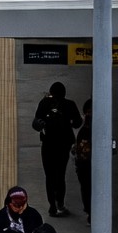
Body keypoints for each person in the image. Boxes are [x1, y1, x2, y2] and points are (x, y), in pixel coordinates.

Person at [32, 81, 82, 217]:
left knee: (49, 175)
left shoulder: (44, 103)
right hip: (63, 145)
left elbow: (35, 122)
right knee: (60, 174)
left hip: (48, 143)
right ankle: (60, 203)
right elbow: (78, 122)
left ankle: (52, 205)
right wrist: (69, 122)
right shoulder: (70, 105)